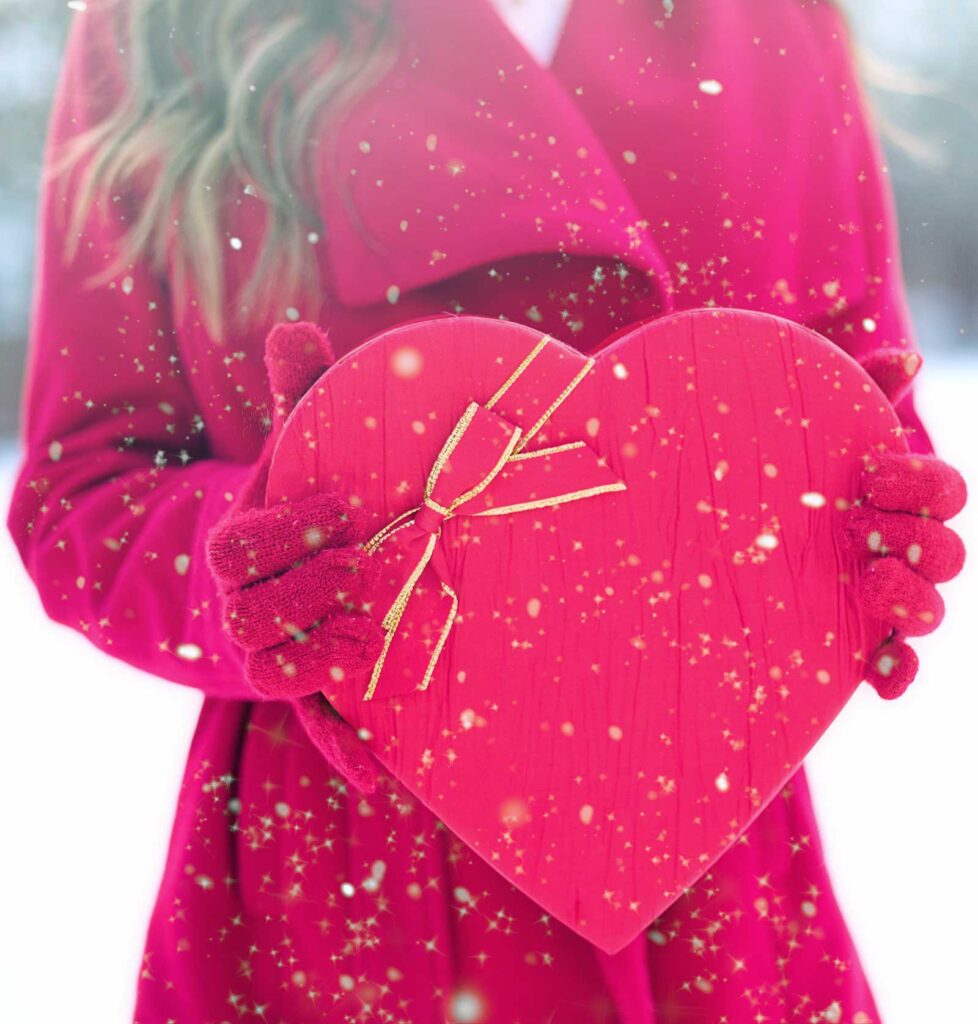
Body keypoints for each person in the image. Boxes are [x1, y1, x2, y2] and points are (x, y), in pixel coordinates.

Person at [7, 1, 966, 1021]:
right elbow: (87, 486)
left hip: (708, 856)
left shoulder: (768, 18)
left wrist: (868, 536)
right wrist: (265, 565)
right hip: (356, 873)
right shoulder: (171, 21)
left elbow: (863, 396)